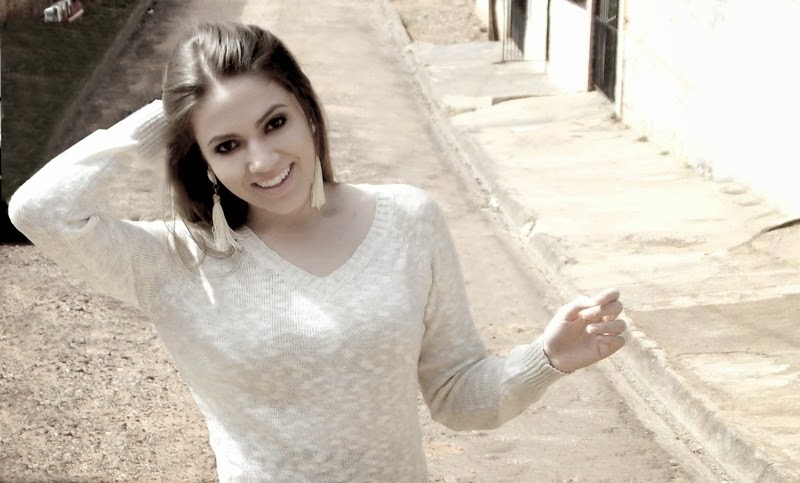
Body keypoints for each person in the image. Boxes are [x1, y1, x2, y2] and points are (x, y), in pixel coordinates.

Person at [9, 21, 627, 482]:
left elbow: (458, 397)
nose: (262, 161)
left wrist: (545, 359)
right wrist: (170, 109)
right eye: (226, 145)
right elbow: (38, 209)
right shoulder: (175, 261)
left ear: (307, 110)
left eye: (274, 123)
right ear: (203, 161)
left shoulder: (408, 221)